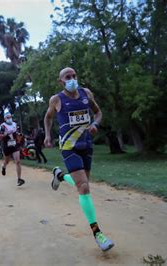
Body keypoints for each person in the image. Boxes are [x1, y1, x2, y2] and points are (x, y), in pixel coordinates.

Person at [44, 67, 114, 251]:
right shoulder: (57, 99)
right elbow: (48, 117)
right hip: (69, 147)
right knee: (83, 187)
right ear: (61, 81)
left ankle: (59, 176)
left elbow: (98, 113)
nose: (72, 79)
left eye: (74, 76)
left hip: (86, 144)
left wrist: (95, 124)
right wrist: (47, 135)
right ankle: (98, 233)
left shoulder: (86, 93)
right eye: (68, 77)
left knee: (81, 185)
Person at [0, 110, 25, 186]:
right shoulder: (3, 126)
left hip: (14, 145)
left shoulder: (15, 124)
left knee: (18, 161)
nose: (9, 118)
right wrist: (5, 134)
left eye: (10, 117)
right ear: (5, 118)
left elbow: (18, 133)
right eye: (7, 117)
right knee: (7, 161)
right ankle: (3, 166)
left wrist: (19, 136)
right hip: (6, 145)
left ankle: (19, 179)